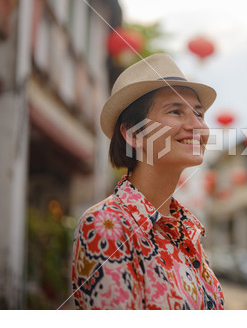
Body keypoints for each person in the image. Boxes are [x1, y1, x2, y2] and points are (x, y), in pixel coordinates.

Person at [71, 53, 225, 309]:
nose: (196, 125)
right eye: (175, 111)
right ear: (133, 133)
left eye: (199, 114)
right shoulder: (106, 226)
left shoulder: (187, 231)